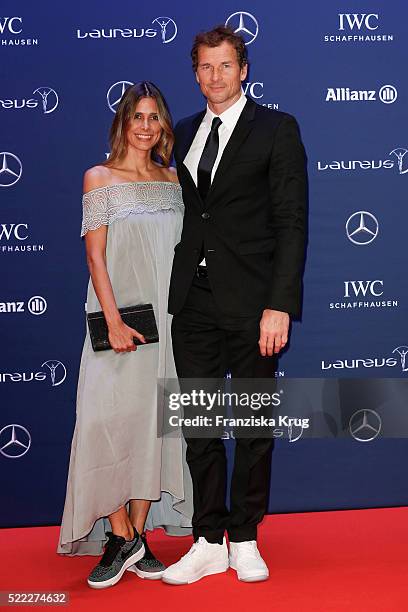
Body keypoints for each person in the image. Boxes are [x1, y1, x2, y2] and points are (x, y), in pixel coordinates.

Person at [162, 26, 307, 585]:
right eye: (205, 67)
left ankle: (244, 536)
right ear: (195, 72)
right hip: (193, 303)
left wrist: (279, 305)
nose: (214, 77)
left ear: (243, 69)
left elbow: (291, 223)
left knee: (250, 425)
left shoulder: (276, 128)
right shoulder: (184, 131)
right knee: (198, 424)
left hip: (253, 306)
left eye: (225, 66)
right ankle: (206, 539)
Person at [57, 82, 192, 589]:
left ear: (162, 126)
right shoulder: (100, 178)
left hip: (170, 324)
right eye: (137, 116)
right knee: (105, 422)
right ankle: (118, 531)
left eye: (154, 117)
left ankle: (133, 536)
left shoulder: (175, 180)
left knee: (151, 426)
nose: (146, 126)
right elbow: (95, 257)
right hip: (119, 322)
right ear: (122, 122)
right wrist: (112, 321)